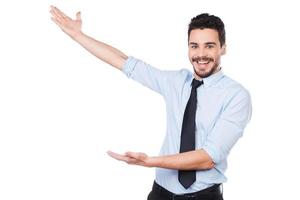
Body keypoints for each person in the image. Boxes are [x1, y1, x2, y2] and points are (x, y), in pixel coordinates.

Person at [50, 5, 252, 200]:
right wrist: (78, 36)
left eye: (209, 46)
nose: (200, 54)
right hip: (160, 193)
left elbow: (207, 158)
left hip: (202, 196)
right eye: (194, 46)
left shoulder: (236, 96)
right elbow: (124, 62)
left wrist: (150, 162)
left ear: (223, 48)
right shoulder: (176, 82)